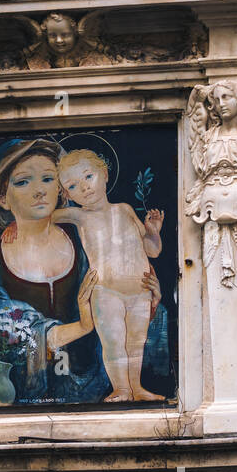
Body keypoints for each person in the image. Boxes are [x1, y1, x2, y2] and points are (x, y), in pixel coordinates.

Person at [0, 139, 108, 405]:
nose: (39, 191)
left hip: (91, 387)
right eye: (23, 182)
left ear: (61, 188)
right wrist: (82, 327)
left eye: (47, 179)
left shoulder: (87, 240)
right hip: (19, 393)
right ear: (2, 198)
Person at [53, 149, 165, 401]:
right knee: (114, 342)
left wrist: (153, 231)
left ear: (103, 174)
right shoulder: (78, 216)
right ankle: (121, 389)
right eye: (72, 186)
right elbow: (41, 215)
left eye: (88, 176)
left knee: (136, 343)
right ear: (67, 194)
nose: (84, 188)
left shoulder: (124, 210)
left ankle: (137, 388)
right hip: (106, 291)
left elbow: (153, 251)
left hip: (141, 290)